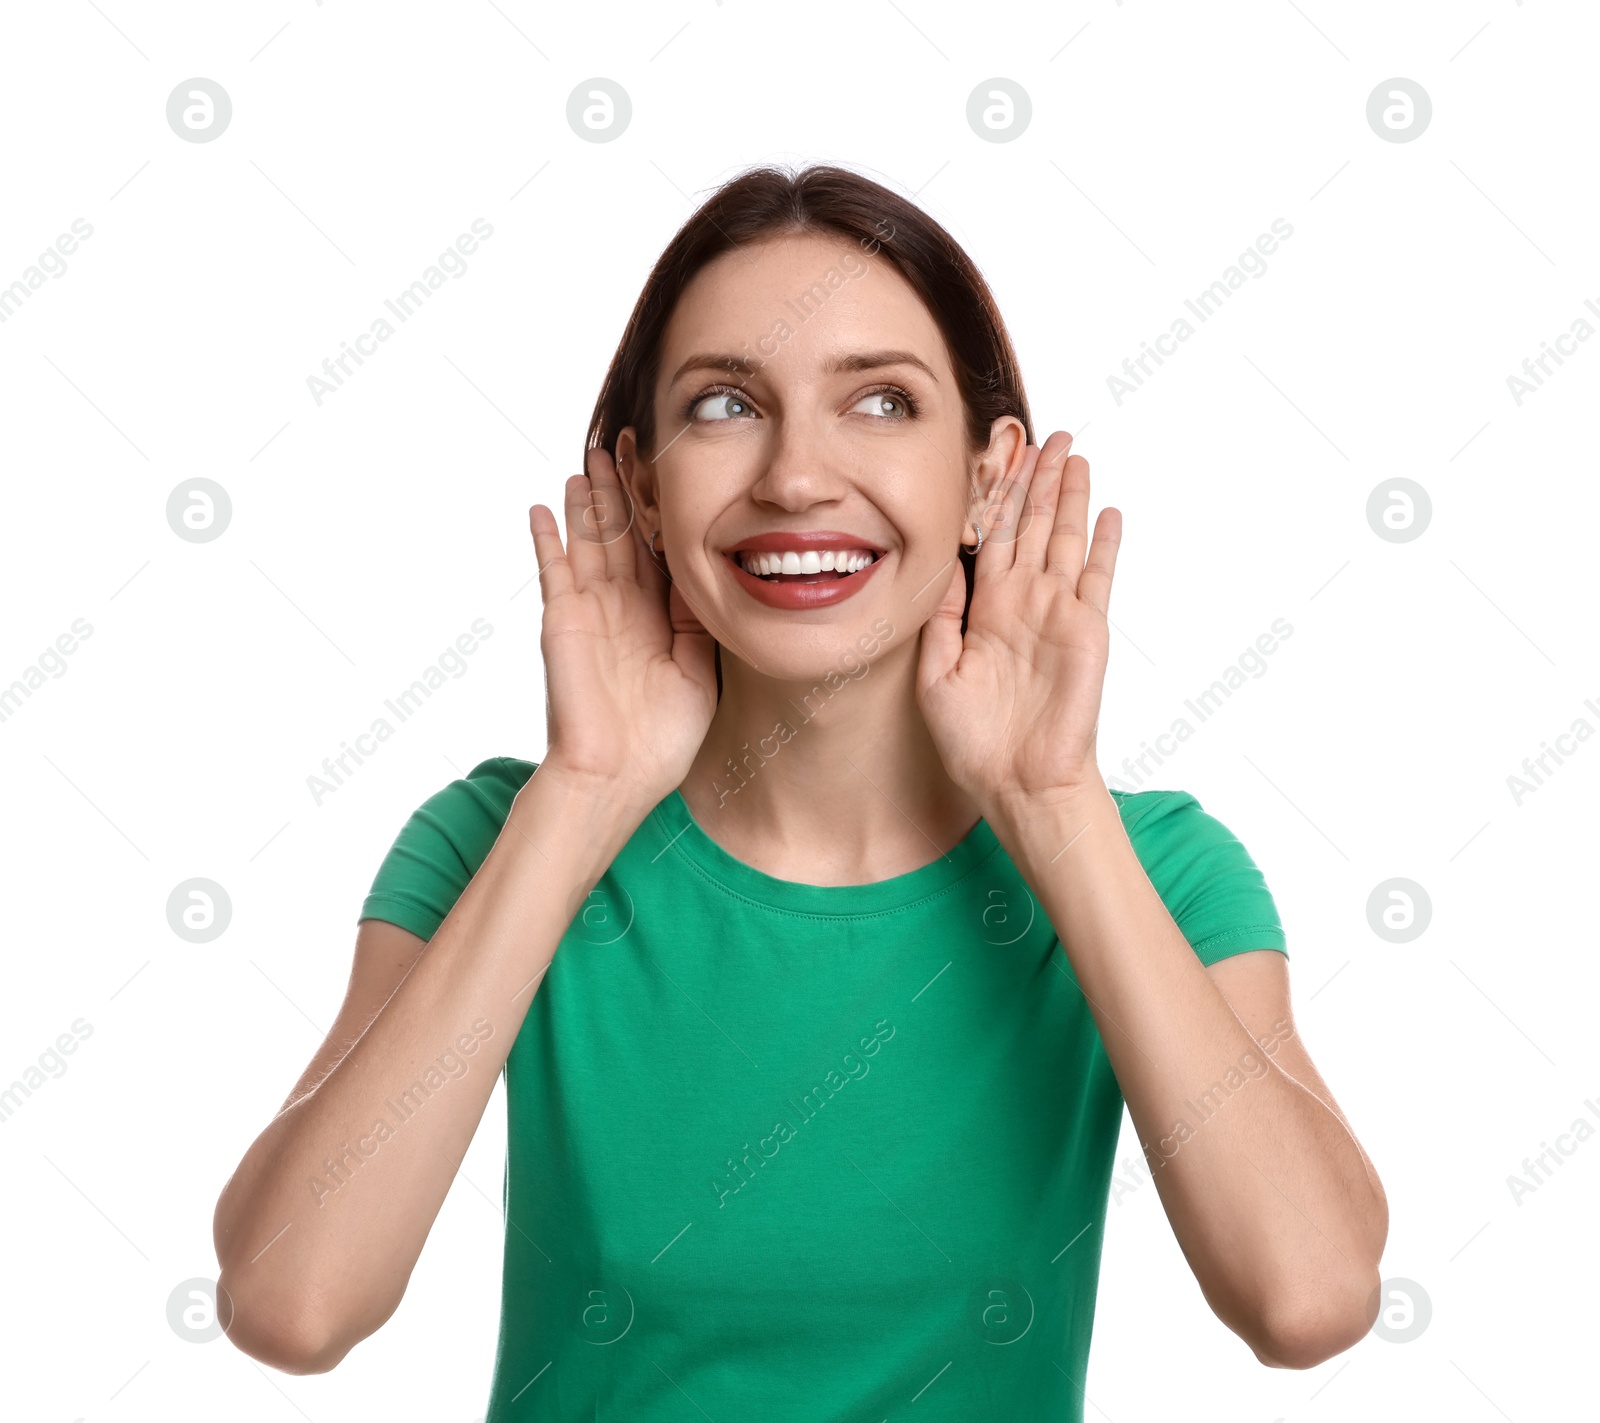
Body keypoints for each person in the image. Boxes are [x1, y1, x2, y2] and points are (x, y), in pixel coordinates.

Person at [212, 163, 1388, 1419]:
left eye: (880, 400)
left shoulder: (1150, 866)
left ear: (988, 476)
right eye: (725, 404)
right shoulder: (502, 839)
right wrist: (585, 794)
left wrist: (1050, 804)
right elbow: (292, 1305)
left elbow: (1308, 1297)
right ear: (644, 485)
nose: (794, 478)